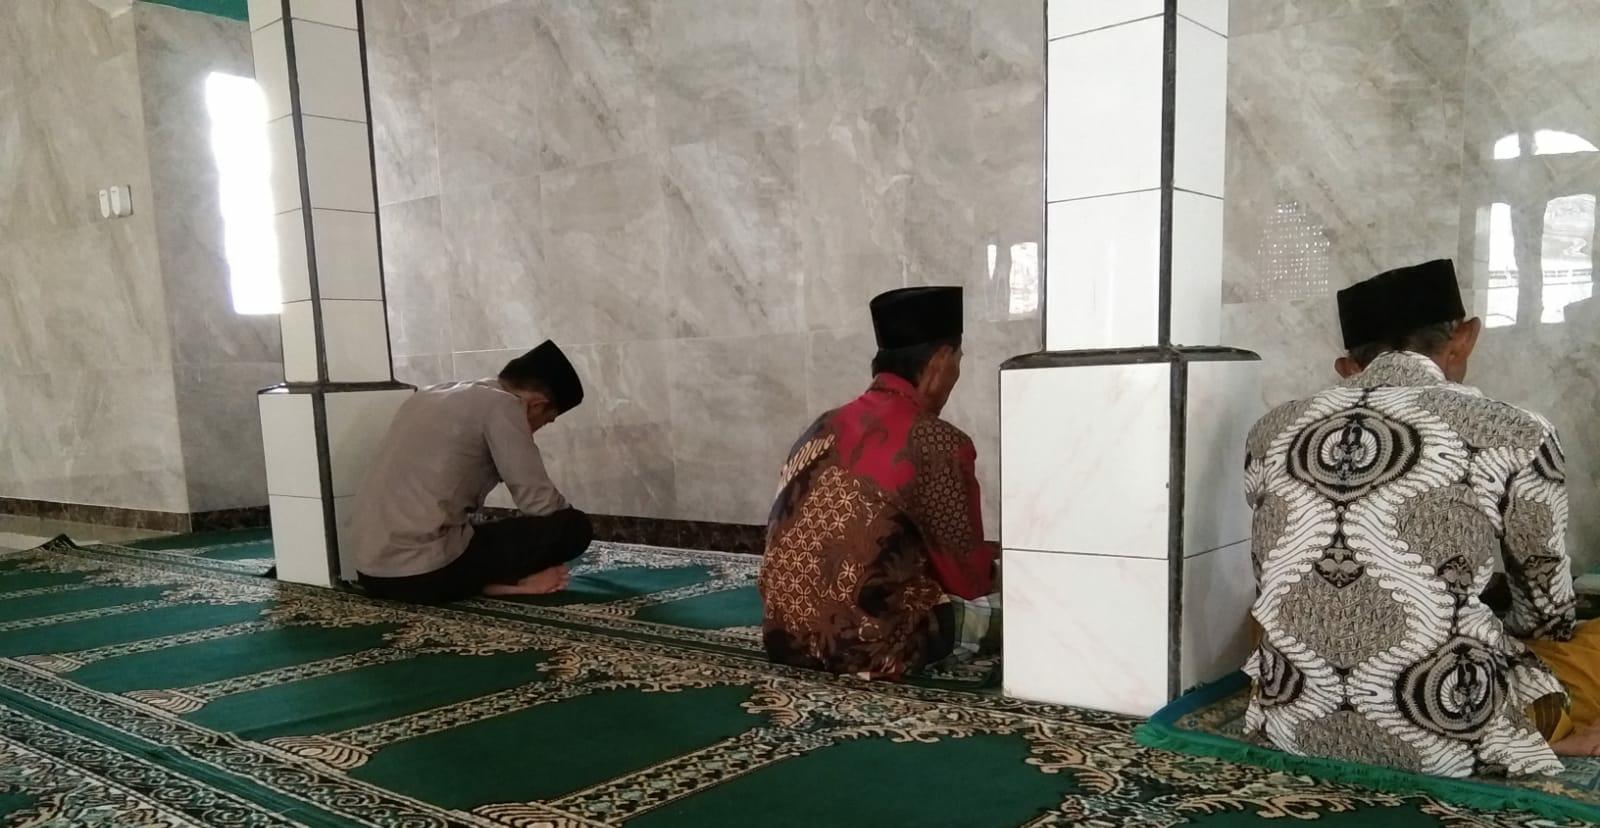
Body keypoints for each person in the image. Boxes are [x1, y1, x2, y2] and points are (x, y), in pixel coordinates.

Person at [1242, 258, 1594, 777]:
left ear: (1348, 367)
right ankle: (1538, 734)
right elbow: (1546, 611)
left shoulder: (1269, 431)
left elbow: (1273, 576)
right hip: (1454, 732)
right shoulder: (1520, 432)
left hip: (1290, 722)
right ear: (1464, 339)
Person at [759, 286, 999, 680]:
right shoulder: (938, 442)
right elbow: (968, 580)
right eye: (958, 362)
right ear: (940, 361)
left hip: (784, 637)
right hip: (871, 646)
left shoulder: (823, 425)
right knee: (1017, 609)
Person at [350, 340, 593, 604]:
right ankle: (507, 583)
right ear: (536, 405)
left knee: (481, 531)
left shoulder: (430, 394)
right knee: (574, 527)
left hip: (369, 571)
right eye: (545, 421)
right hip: (423, 576)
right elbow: (539, 502)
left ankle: (492, 578)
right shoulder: (505, 406)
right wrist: (561, 528)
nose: (535, 430)